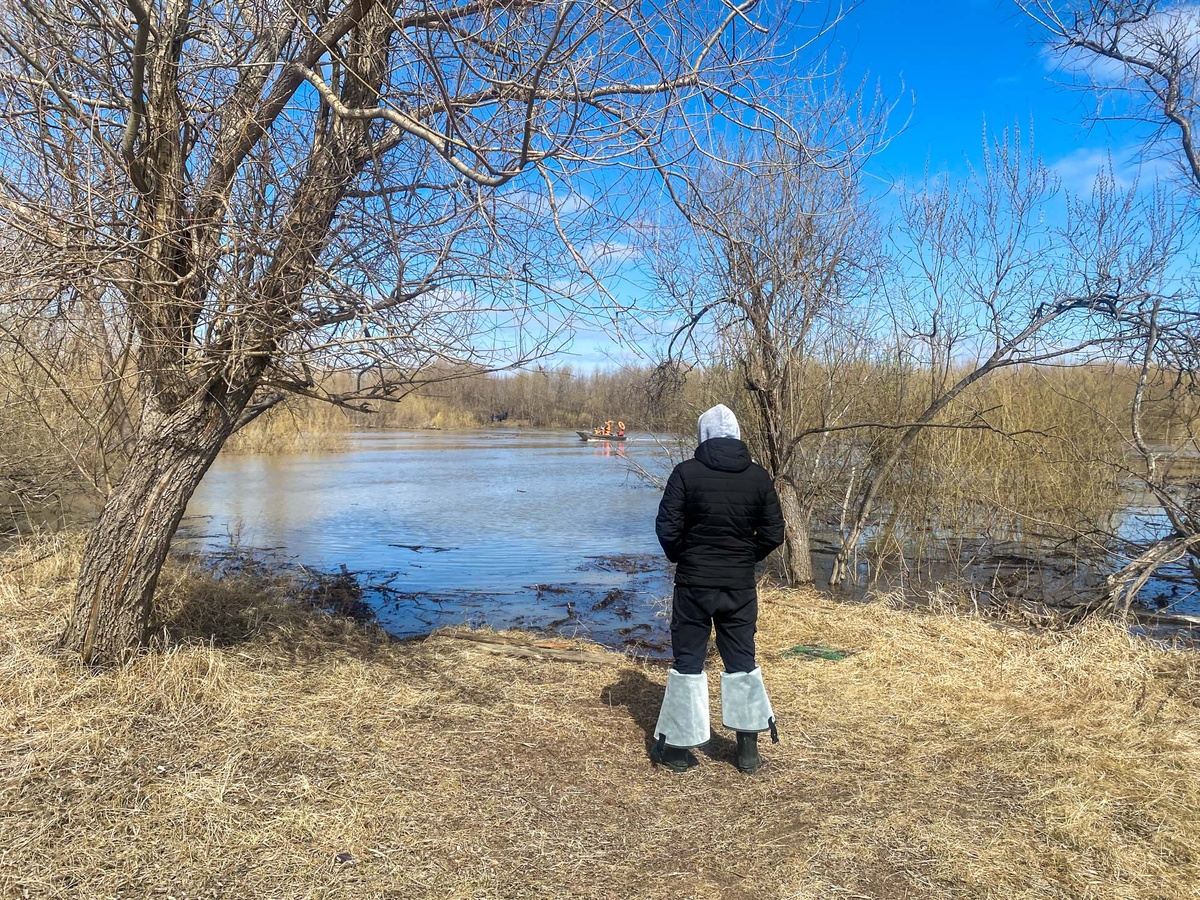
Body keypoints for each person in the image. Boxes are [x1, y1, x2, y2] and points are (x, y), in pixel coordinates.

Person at [652, 404, 785, 774]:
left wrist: (686, 556)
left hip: (694, 584)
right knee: (742, 660)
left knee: (688, 663)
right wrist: (745, 558)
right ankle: (748, 751)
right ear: (738, 436)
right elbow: (775, 533)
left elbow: (667, 528)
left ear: (703, 436)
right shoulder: (758, 477)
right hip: (738, 586)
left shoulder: (685, 473)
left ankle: (678, 750)